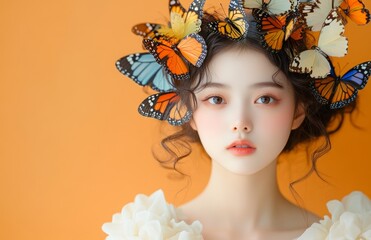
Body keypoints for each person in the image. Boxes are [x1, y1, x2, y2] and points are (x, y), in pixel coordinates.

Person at [103, 0, 371, 239]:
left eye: (265, 99)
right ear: (189, 110)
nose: (240, 123)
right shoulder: (143, 234)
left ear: (298, 111)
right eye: (217, 99)